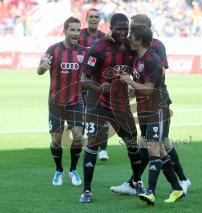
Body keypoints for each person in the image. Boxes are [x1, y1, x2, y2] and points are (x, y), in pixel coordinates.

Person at [110, 14, 191, 195]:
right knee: (158, 145)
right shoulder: (137, 53)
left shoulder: (154, 50)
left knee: (156, 145)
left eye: (133, 29)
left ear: (143, 31)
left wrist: (133, 84)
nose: (129, 33)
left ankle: (146, 187)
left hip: (157, 104)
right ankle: (177, 185)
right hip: (144, 104)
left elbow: (156, 77)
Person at [79, 13, 143, 203]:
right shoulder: (98, 48)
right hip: (97, 105)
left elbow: (138, 66)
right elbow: (84, 80)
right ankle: (87, 191)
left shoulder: (131, 47)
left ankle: (137, 181)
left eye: (126, 29)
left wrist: (132, 85)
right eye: (119, 29)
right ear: (111, 28)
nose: (123, 32)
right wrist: (99, 88)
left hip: (121, 106)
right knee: (92, 144)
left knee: (132, 143)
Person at [37, 17, 87, 186]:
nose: (76, 33)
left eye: (78, 30)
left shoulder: (84, 52)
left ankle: (73, 169)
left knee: (79, 136)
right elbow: (40, 69)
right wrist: (42, 68)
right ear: (64, 30)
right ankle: (59, 169)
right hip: (56, 102)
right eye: (72, 30)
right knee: (56, 140)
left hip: (76, 101)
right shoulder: (53, 49)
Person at [79, 8, 110, 161]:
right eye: (91, 16)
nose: (93, 19)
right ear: (86, 18)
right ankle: (90, 143)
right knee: (86, 114)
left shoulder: (104, 38)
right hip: (83, 81)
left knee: (102, 114)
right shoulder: (79, 35)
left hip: (98, 82)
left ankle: (103, 149)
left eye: (96, 17)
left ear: (99, 20)